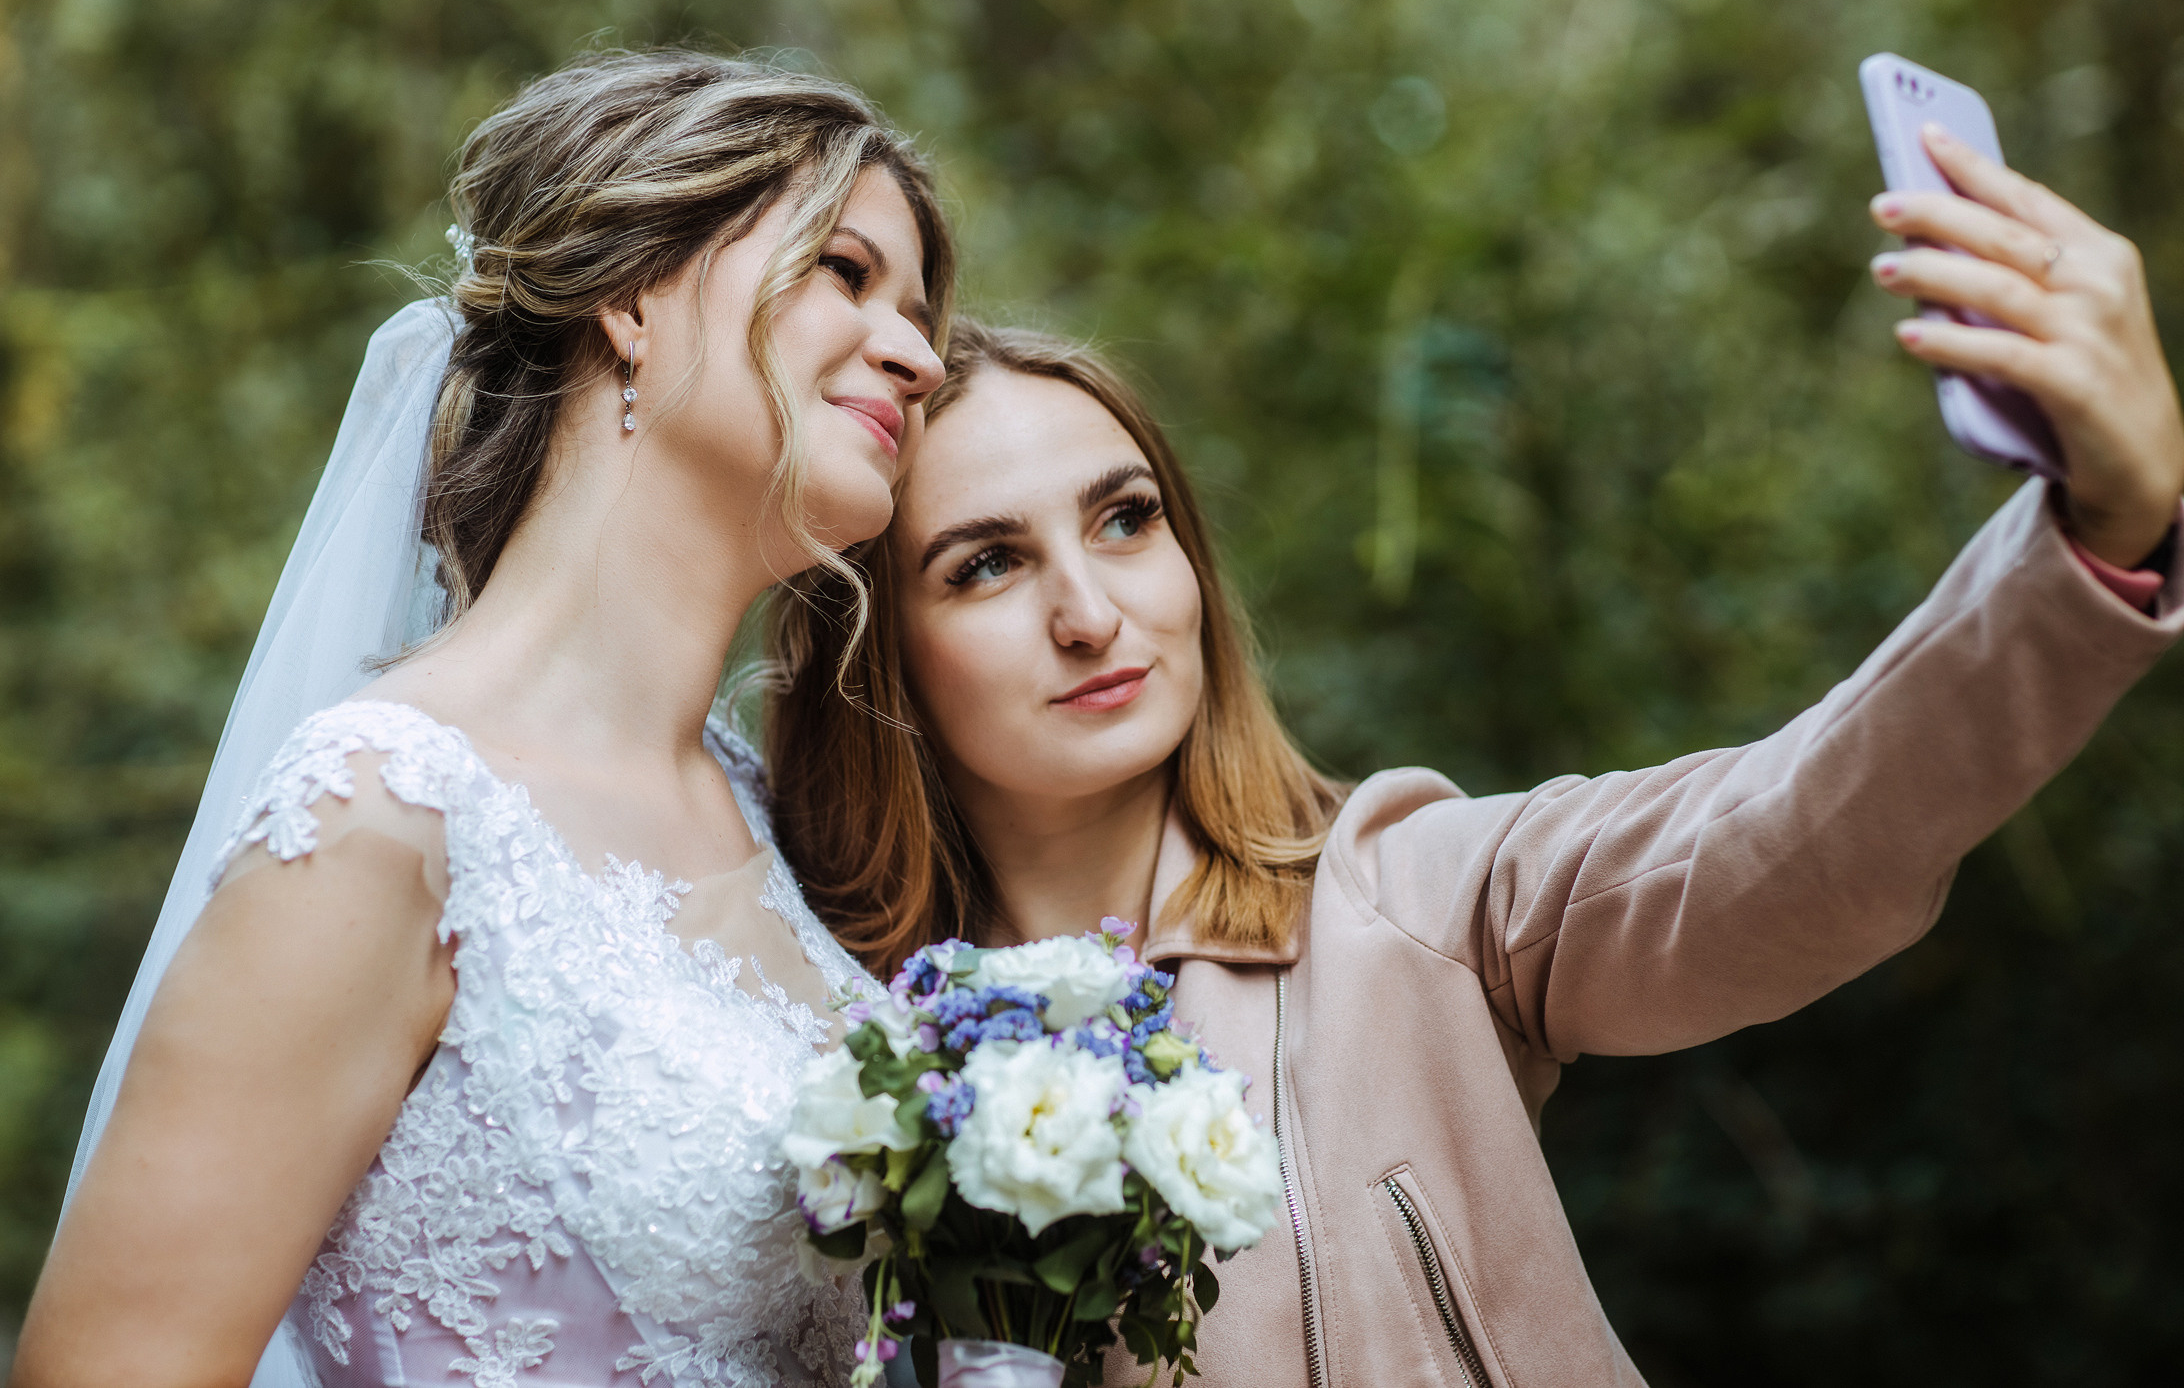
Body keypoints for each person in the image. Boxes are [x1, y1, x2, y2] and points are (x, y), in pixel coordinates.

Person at [762, 126, 2184, 1384]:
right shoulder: (843, 1062)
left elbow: (1796, 833)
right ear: (879, 655)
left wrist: (2090, 546)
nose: (1092, 613)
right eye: (990, 564)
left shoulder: (1409, 902)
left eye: (1127, 518)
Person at [14, 49, 952, 1388]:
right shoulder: (384, 819)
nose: (917, 355)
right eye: (846, 273)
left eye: (920, 310)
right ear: (633, 295)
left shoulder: (769, 816)